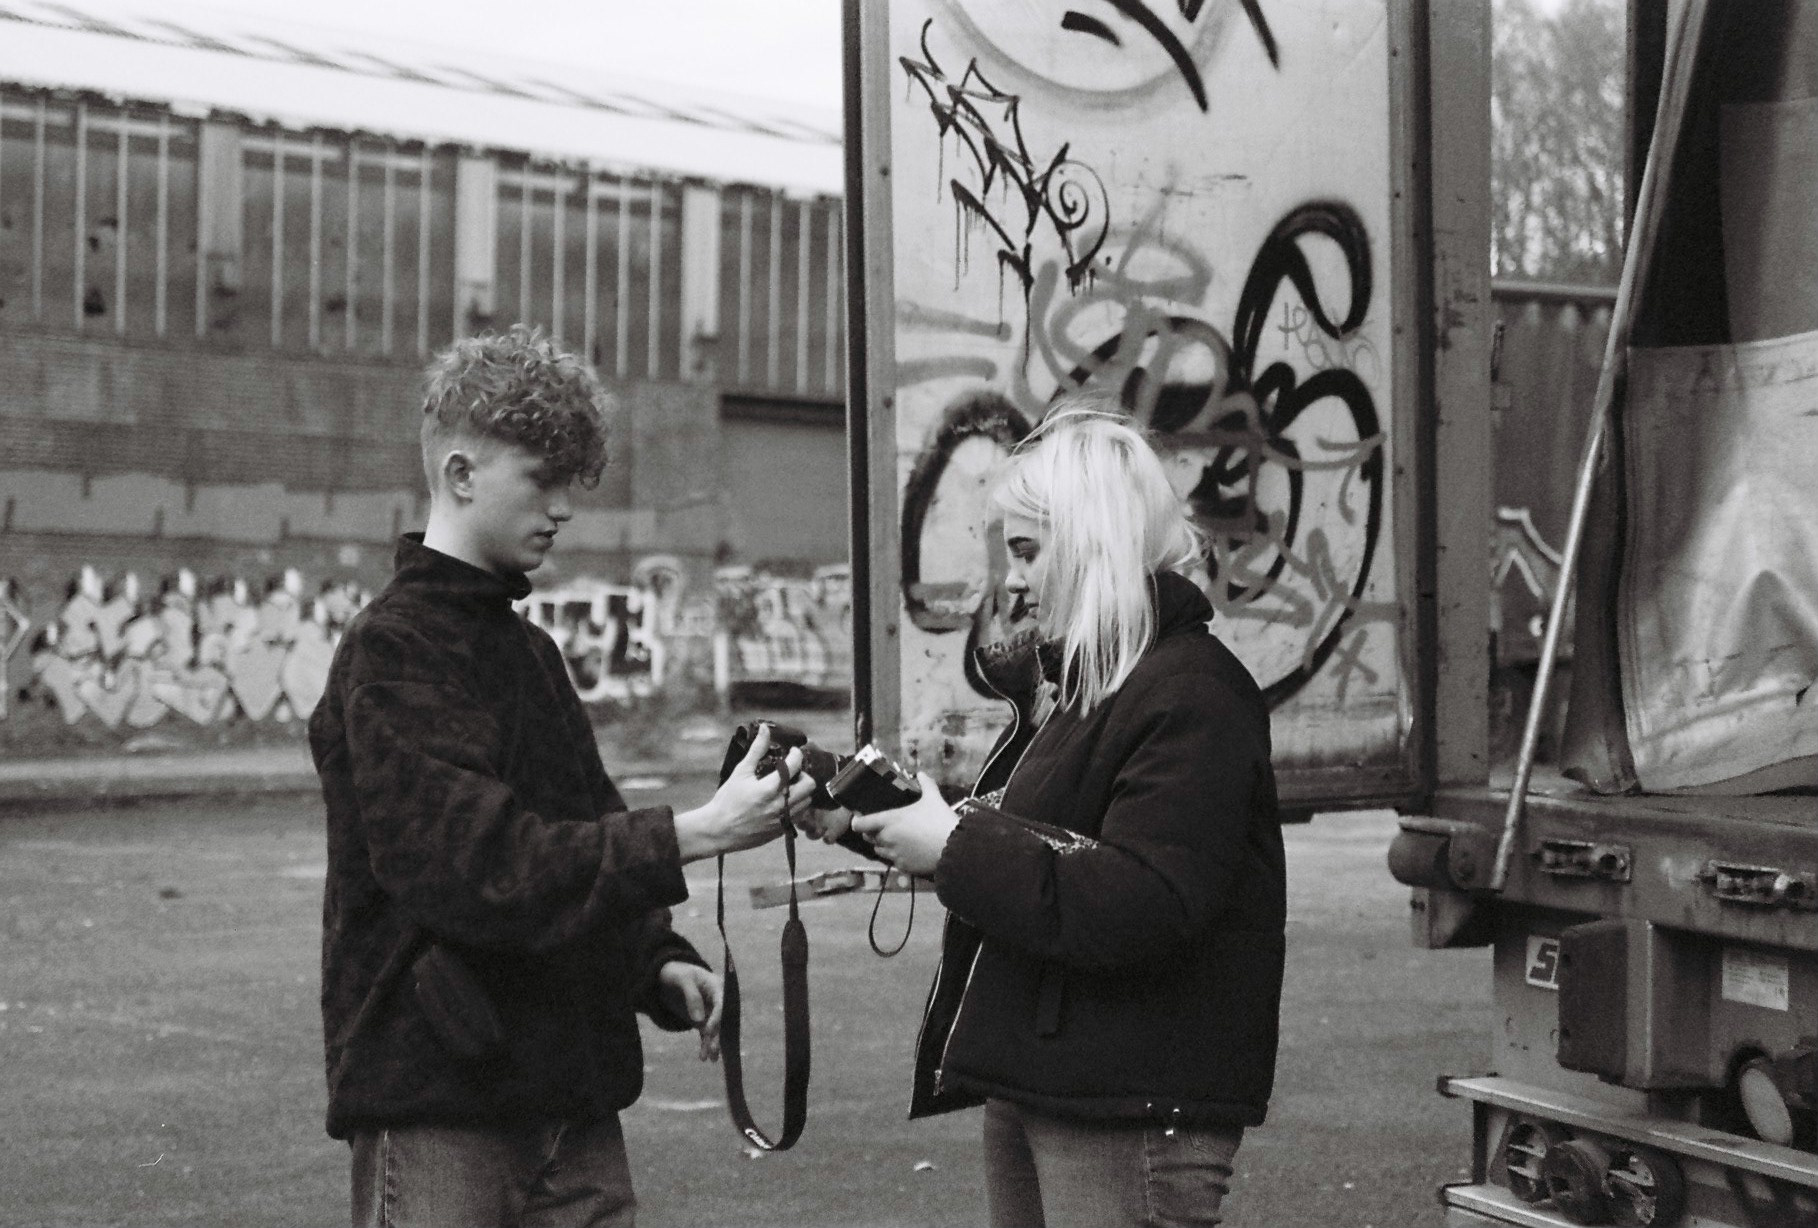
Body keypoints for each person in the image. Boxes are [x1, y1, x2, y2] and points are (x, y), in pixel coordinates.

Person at [308, 325, 818, 1228]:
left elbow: (583, 825)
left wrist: (655, 961)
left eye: (569, 481)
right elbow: (478, 867)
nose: (562, 508)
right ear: (461, 475)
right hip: (439, 1108)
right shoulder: (393, 650)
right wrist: (699, 831)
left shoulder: (530, 651)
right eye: (541, 479)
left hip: (570, 1106)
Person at [847, 400, 1286, 1228]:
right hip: (1053, 1083)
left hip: (1126, 1104)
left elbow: (1145, 901)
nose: (1011, 581)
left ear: (1091, 542)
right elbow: (1054, 853)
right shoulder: (1095, 689)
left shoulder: (1193, 694)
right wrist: (893, 827)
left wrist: (953, 848)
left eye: (1027, 550)